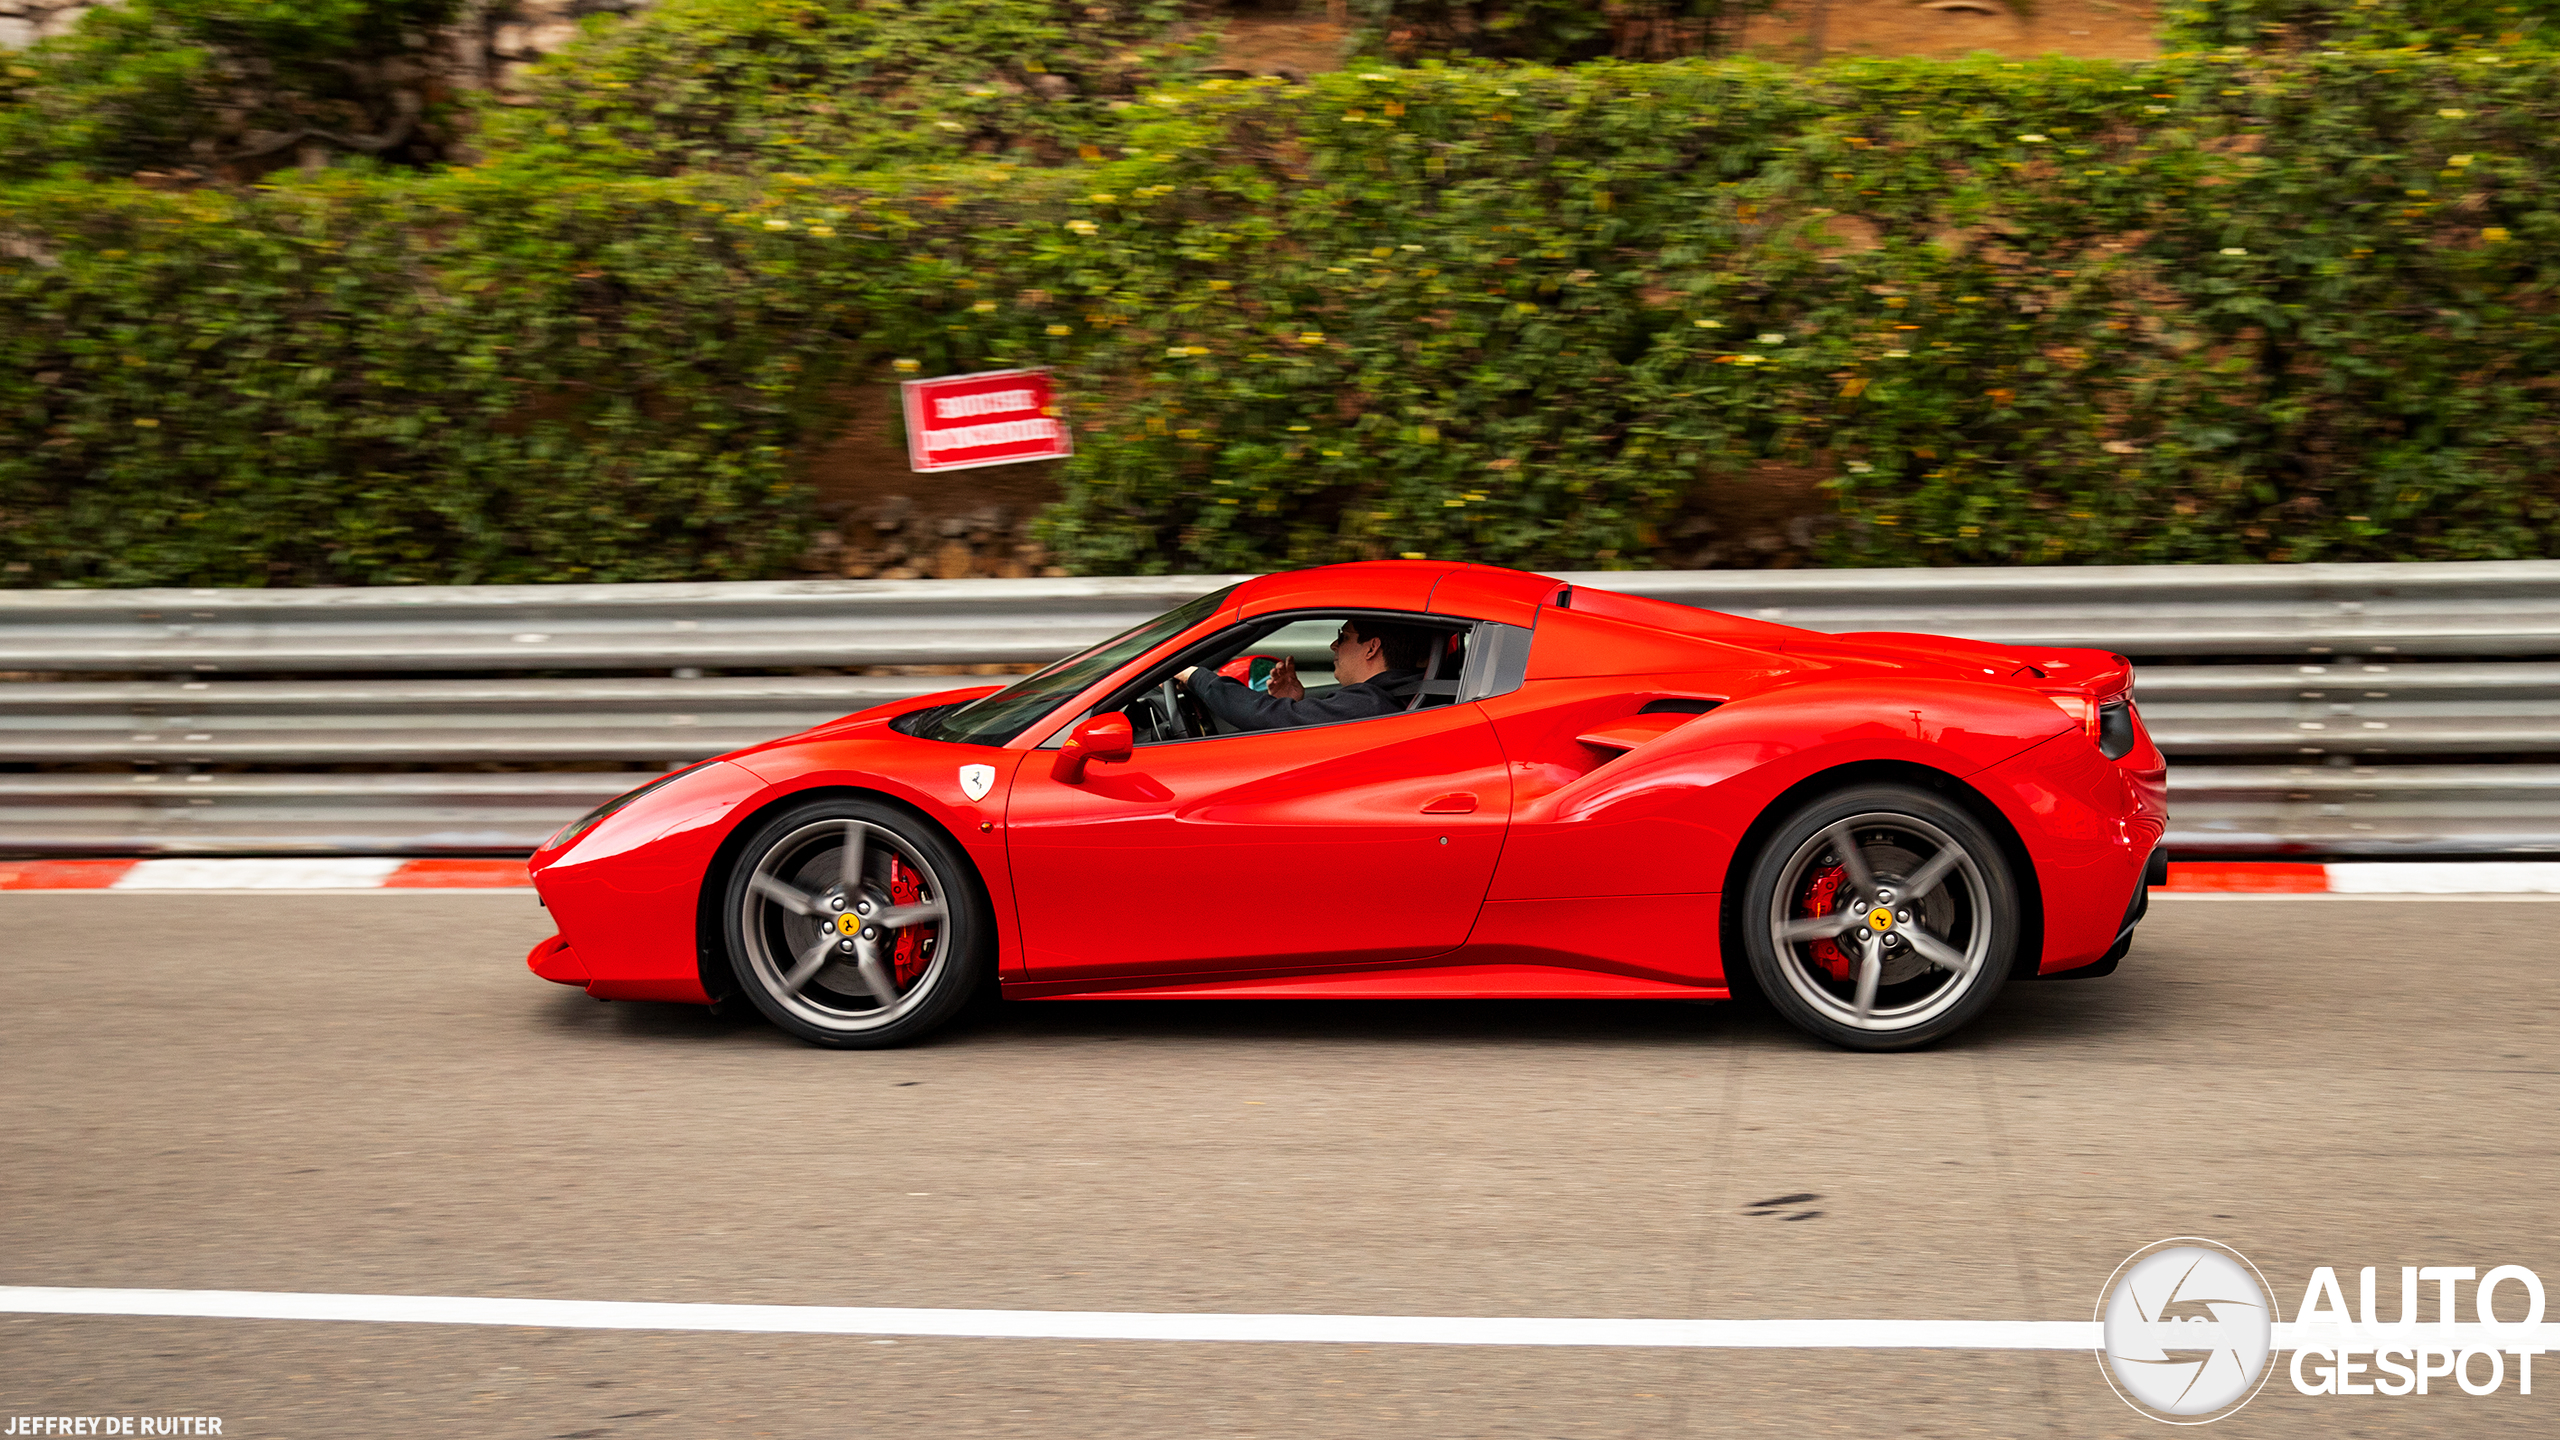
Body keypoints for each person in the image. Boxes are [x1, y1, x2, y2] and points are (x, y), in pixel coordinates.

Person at [1178, 619, 1433, 733]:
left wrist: (1193, 675)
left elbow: (1263, 715)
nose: (1334, 645)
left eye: (1343, 637)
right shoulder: (1398, 694)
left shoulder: (1370, 702)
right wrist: (1293, 706)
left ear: (1372, 647)